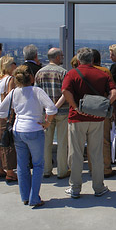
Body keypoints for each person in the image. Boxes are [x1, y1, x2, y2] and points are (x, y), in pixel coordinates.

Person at [0, 65, 57, 207]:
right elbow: (52, 108)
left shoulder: (14, 93)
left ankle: (25, 196)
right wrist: (47, 122)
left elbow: (1, 111)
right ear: (31, 77)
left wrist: (15, 115)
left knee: (22, 165)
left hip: (18, 130)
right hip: (34, 129)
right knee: (37, 165)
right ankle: (34, 197)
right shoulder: (37, 91)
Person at [62, 47, 116, 199]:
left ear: (78, 60)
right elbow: (114, 92)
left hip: (77, 118)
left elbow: (65, 91)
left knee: (76, 153)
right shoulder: (102, 74)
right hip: (97, 118)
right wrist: (105, 105)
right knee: (96, 154)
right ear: (92, 60)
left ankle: (75, 188)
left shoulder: (72, 73)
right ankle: (98, 187)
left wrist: (75, 106)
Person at [34, 48, 70, 179]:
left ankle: (46, 170)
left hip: (45, 113)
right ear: (56, 57)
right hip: (63, 112)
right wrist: (55, 107)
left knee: (46, 143)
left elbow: (36, 94)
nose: (62, 57)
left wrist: (48, 108)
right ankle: (62, 171)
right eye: (61, 55)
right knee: (62, 142)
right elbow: (66, 92)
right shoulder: (63, 73)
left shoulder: (39, 73)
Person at [91, 49, 116, 178]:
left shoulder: (79, 71)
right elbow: (112, 91)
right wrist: (110, 108)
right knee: (105, 140)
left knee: (90, 141)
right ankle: (106, 168)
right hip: (103, 109)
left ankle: (92, 168)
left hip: (86, 110)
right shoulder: (105, 72)